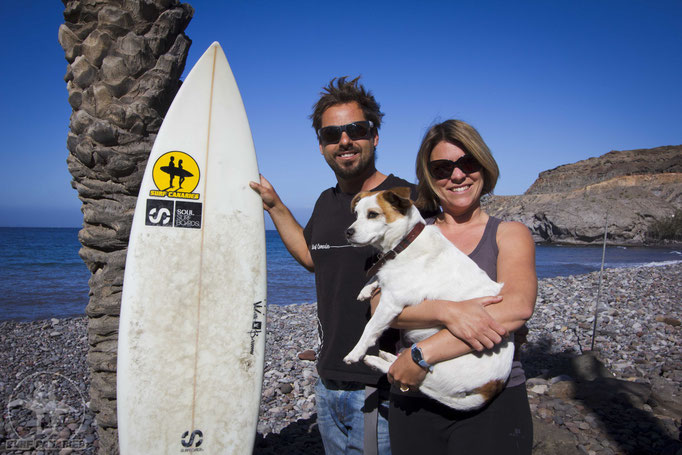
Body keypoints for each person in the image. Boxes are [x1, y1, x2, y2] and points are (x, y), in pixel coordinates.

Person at [250, 77, 425, 455]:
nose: (344, 141)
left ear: (374, 136)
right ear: (322, 146)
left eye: (355, 130)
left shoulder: (407, 199)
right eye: (333, 134)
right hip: (328, 381)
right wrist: (275, 204)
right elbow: (314, 258)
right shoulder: (326, 202)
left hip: (384, 386)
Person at [383, 119, 537, 454]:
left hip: (491, 397)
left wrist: (422, 354)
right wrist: (448, 311)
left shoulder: (509, 234)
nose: (457, 176)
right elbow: (380, 306)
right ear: (428, 177)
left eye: (467, 163)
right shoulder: (413, 236)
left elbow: (515, 308)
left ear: (484, 166)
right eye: (442, 168)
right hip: (415, 398)